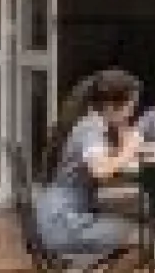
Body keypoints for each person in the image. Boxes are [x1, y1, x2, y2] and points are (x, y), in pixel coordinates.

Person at [36, 68, 143, 260]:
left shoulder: (89, 122)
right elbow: (100, 171)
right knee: (144, 236)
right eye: (131, 105)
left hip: (59, 216)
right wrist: (128, 150)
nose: (132, 112)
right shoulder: (91, 128)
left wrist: (128, 147)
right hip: (64, 223)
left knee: (136, 226)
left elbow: (101, 161)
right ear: (111, 105)